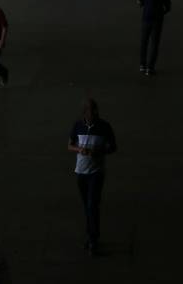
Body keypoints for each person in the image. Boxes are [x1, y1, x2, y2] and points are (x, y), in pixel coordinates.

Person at [67, 98, 117, 256]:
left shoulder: (104, 127)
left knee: (91, 206)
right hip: (81, 172)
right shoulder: (77, 126)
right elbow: (69, 145)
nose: (95, 112)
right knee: (87, 206)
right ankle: (91, 235)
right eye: (91, 110)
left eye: (95, 109)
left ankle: (93, 239)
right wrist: (79, 149)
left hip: (96, 173)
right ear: (84, 112)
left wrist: (99, 152)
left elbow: (113, 147)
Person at [137, 0, 171, 75]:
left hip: (146, 20)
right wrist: (162, 13)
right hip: (157, 21)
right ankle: (150, 68)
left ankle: (142, 65)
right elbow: (168, 7)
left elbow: (139, 3)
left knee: (144, 42)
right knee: (154, 44)